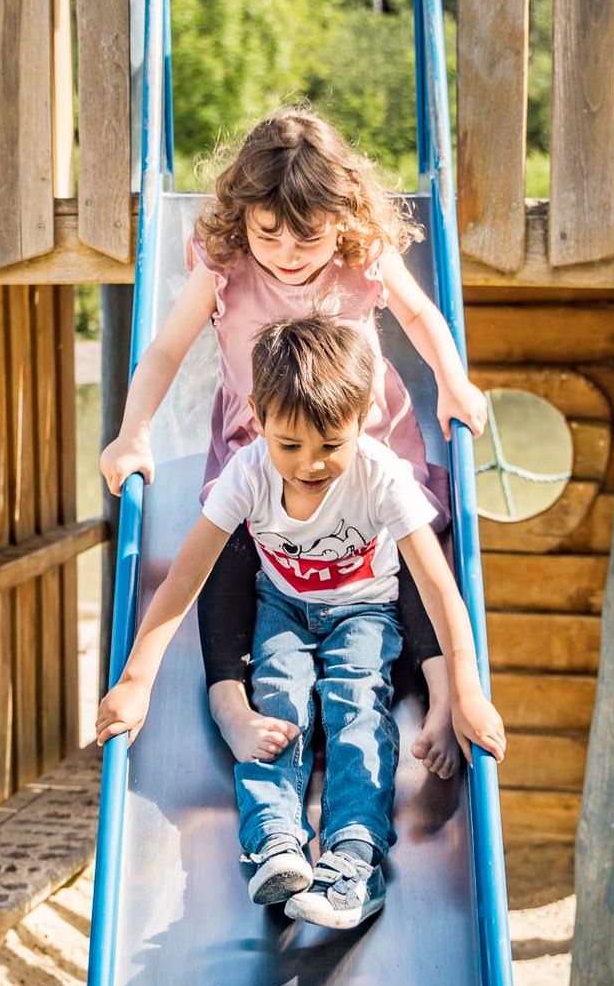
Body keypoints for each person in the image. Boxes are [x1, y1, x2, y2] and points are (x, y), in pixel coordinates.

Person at [99, 106, 489, 782]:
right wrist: (133, 431)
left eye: (307, 237)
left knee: (417, 541)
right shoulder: (224, 266)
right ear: (243, 219)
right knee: (223, 543)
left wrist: (452, 383)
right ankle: (228, 697)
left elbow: (421, 315)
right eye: (268, 234)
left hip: (359, 439)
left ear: (343, 217)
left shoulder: (360, 258)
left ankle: (443, 689)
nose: (285, 252)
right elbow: (164, 350)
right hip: (265, 447)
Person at [95, 316, 507, 929]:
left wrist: (467, 694)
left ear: (365, 415)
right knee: (277, 702)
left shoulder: (380, 474)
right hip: (280, 607)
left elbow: (438, 585)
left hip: (365, 610)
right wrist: (135, 680)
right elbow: (185, 578)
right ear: (257, 415)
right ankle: (276, 840)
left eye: (329, 447)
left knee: (356, 706)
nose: (309, 464)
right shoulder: (249, 472)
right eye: (289, 445)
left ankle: (354, 859)